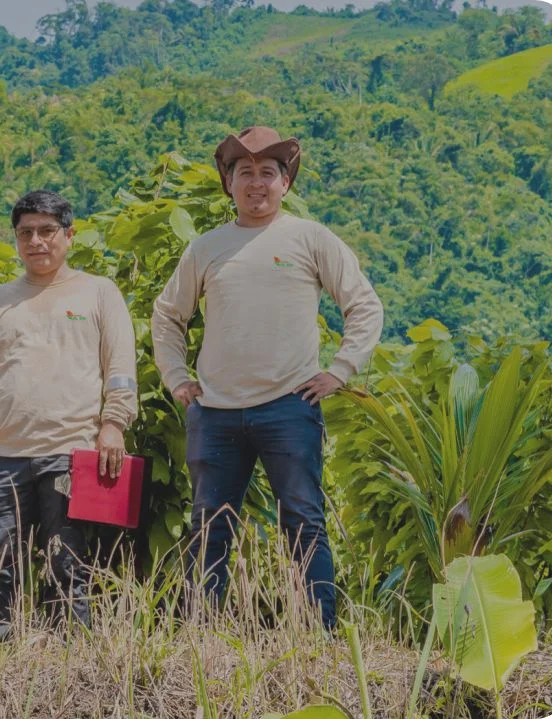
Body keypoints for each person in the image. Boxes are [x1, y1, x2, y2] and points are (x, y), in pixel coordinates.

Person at [152, 126, 384, 631]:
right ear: (229, 183)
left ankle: (317, 633)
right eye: (245, 173)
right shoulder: (206, 248)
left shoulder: (310, 237)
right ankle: (202, 635)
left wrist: (339, 371)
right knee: (210, 526)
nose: (256, 183)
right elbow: (168, 314)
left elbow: (363, 306)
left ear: (285, 182)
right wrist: (177, 377)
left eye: (267, 173)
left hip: (290, 405)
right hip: (214, 412)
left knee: (303, 521)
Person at [0, 190, 138, 638]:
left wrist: (113, 424)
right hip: (5, 453)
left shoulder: (98, 292)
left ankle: (71, 659)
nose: (36, 241)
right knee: (0, 559)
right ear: (16, 239)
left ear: (69, 236)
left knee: (67, 559)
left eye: (47, 231)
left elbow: (120, 369)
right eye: (25, 233)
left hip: (71, 451)